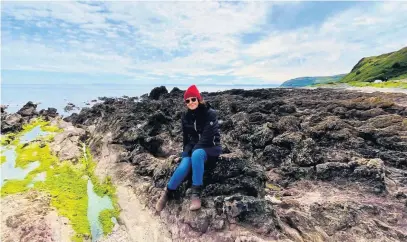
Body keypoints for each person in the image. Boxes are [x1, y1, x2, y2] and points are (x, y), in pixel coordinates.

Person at [155, 84, 222, 211]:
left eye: (193, 99)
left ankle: (195, 194)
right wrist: (185, 153)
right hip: (194, 147)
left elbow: (207, 137)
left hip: (211, 147)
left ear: (199, 99)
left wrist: (193, 150)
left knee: (196, 154)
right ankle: (167, 193)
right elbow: (186, 138)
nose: (190, 102)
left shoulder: (210, 114)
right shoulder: (186, 117)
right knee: (185, 164)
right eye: (187, 100)